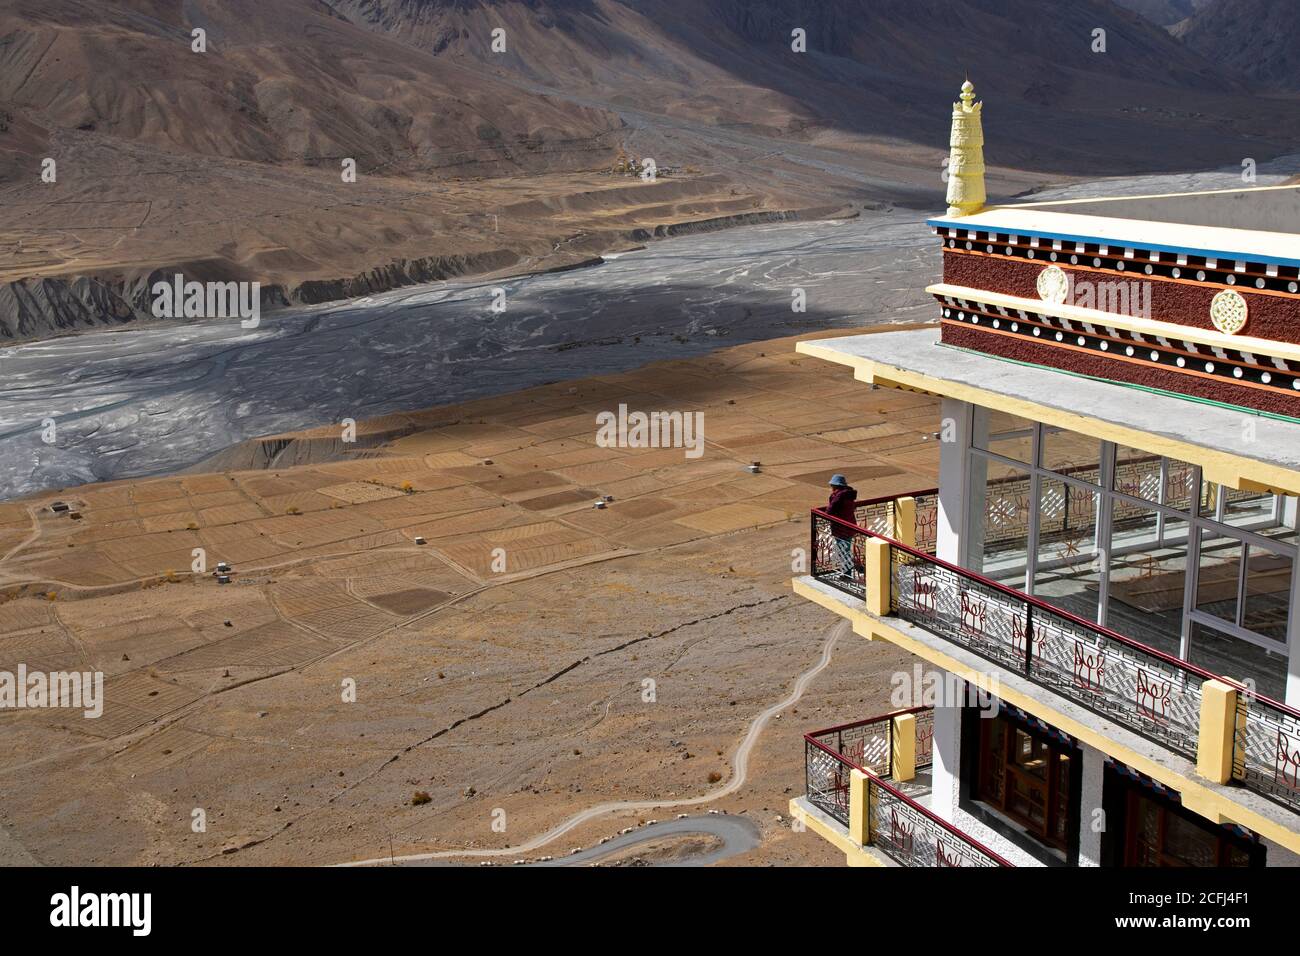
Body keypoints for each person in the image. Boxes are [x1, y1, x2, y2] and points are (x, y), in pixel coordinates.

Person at [826, 474, 858, 578]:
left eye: (832, 486)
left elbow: (830, 511)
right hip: (849, 527)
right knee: (846, 551)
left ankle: (847, 574)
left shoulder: (839, 496)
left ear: (835, 486)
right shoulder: (849, 495)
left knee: (844, 552)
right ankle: (847, 571)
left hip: (841, 529)